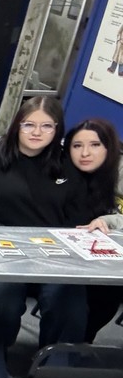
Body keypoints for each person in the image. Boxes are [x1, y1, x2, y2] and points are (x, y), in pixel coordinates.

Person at [0, 96, 88, 378]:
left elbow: (77, 214)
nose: (37, 132)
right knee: (2, 294)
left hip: (53, 254)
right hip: (1, 252)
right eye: (29, 124)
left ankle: (55, 359)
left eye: (47, 126)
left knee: (69, 297)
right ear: (17, 126)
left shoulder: (67, 165)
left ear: (57, 130)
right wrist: (12, 244)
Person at [70, 118, 123, 342]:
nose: (85, 153)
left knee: (107, 291)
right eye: (77, 146)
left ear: (108, 147)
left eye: (95, 145)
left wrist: (108, 221)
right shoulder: (64, 171)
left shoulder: (119, 171)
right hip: (74, 250)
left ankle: (83, 340)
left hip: (111, 255)